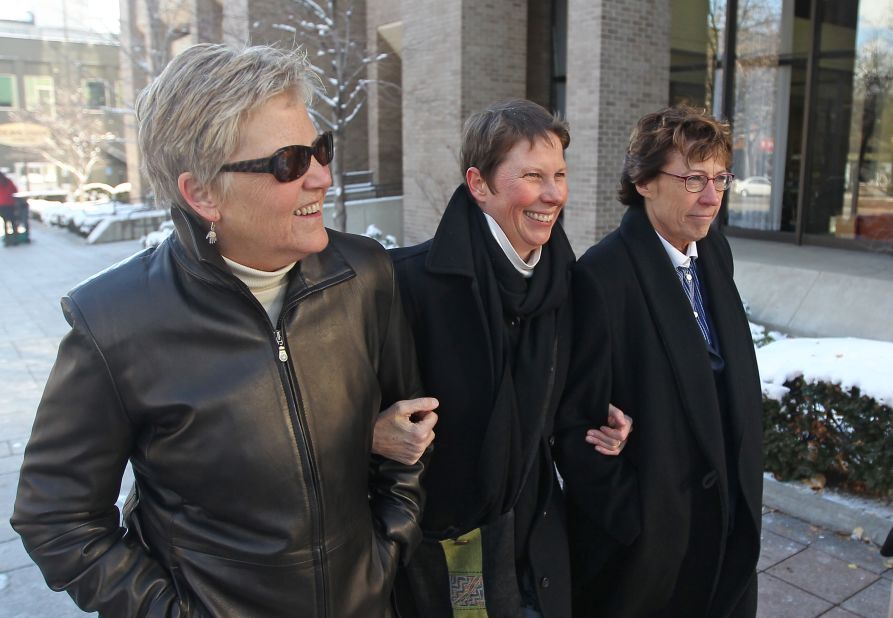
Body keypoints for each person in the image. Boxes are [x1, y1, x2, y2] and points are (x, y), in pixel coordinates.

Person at [12, 43, 435, 618]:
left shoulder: (365, 275)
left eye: (321, 149)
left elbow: (410, 426)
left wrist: (388, 546)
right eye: (290, 162)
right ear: (203, 194)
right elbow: (56, 520)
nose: (322, 177)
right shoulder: (112, 322)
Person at [378, 99, 631, 618]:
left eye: (560, 174)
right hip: (443, 546)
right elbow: (357, 414)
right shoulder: (408, 284)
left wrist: (598, 425)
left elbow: (559, 414)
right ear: (478, 184)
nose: (553, 194)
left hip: (535, 536)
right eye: (533, 175)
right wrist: (372, 430)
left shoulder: (568, 285)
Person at [557, 105, 764, 617]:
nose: (712, 197)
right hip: (655, 557)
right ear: (644, 181)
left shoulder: (713, 251)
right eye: (694, 179)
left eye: (720, 178)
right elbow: (576, 430)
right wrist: (639, 525)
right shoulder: (602, 277)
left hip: (727, 525)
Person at [0, 170, 19, 246]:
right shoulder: (8, 181)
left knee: (5, 222)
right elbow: (15, 190)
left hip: (1, 205)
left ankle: (7, 240)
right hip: (10, 204)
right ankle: (15, 240)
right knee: (13, 222)